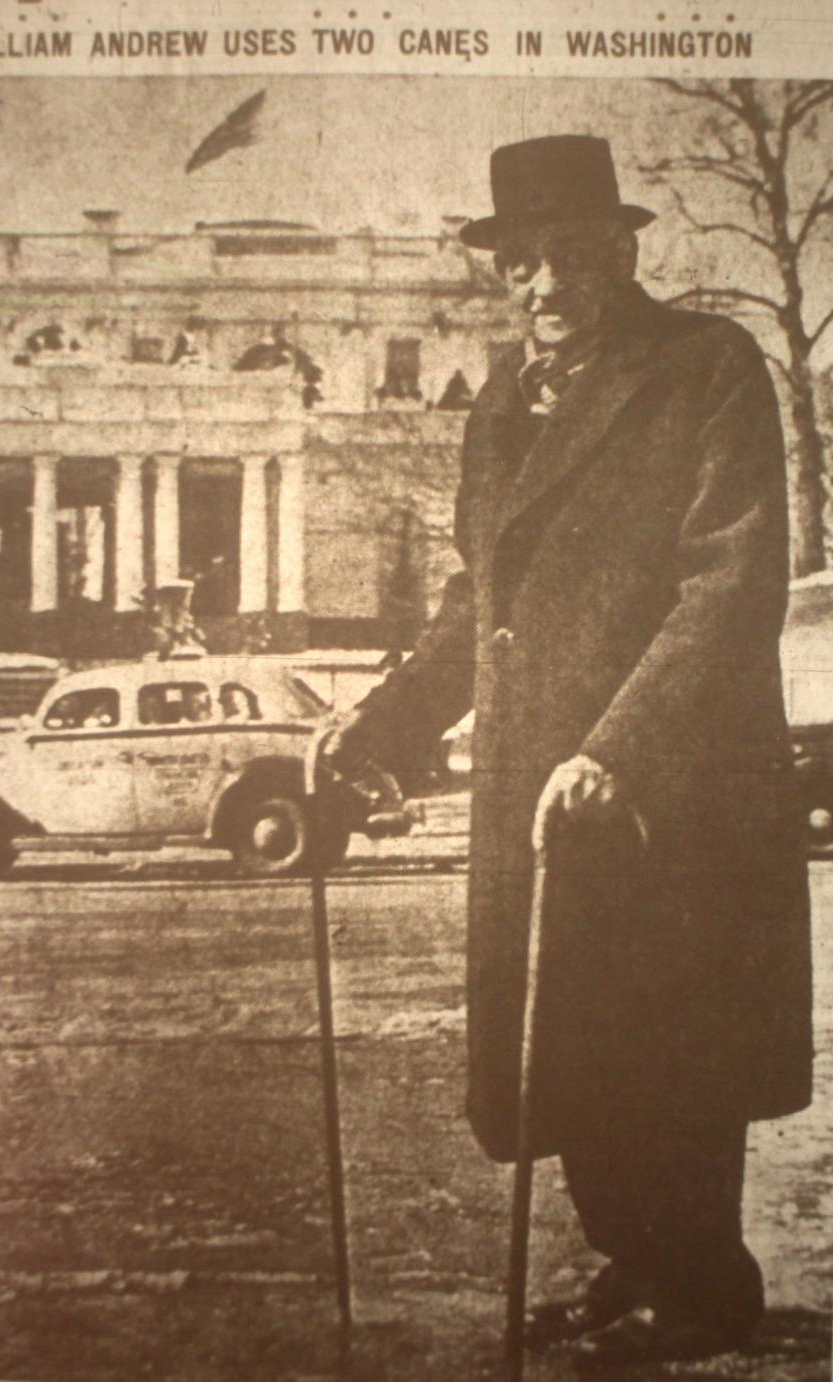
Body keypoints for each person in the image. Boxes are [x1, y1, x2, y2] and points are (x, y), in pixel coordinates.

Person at [324, 135, 812, 1368]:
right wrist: (380, 720)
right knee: (574, 1043)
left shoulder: (706, 366)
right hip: (533, 787)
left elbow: (731, 580)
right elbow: (472, 603)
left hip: (666, 781)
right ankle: (633, 1260)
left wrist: (621, 749)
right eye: (522, 264)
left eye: (570, 258)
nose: (543, 287)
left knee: (672, 1041)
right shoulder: (499, 405)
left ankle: (702, 1283)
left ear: (623, 251)